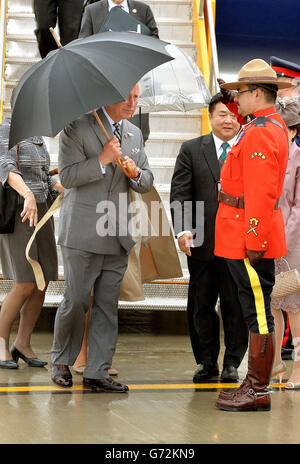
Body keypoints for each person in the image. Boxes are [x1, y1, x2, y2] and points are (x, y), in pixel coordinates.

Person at [50, 83, 154, 392]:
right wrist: (103, 160)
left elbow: (146, 182)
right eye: (127, 97)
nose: (133, 103)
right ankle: (61, 360)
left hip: (117, 232)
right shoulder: (77, 127)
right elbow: (66, 176)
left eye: (137, 97)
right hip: (81, 230)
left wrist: (135, 173)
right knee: (77, 299)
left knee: (107, 305)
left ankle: (97, 370)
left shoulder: (133, 134)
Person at [214, 59, 292, 412]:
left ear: (257, 93)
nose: (236, 100)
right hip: (242, 230)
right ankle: (254, 385)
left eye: (240, 93)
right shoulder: (264, 125)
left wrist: (255, 241)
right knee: (254, 309)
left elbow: (260, 193)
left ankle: (258, 389)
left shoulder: (261, 130)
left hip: (247, 234)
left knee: (257, 312)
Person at [170, 94, 248, 383]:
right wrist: (183, 230)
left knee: (235, 304)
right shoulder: (192, 149)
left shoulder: (247, 147)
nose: (228, 120)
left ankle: (232, 363)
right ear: (211, 117)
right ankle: (206, 362)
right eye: (222, 114)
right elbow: (180, 193)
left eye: (233, 115)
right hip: (202, 242)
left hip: (239, 243)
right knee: (201, 305)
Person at [0, 116, 62, 369]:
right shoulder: (7, 129)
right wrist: (27, 193)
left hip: (42, 210)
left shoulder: (37, 138)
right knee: (25, 282)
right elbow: (4, 166)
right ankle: (1, 341)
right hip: (19, 211)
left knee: (42, 280)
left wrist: (61, 186)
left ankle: (23, 343)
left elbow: (43, 176)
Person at [79, 0, 159, 144]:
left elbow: (155, 42)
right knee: (102, 137)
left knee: (134, 137)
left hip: (135, 78)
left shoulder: (143, 10)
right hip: (104, 82)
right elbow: (83, 46)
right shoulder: (92, 10)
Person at [271, 57, 300, 360]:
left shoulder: (299, 158)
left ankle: (297, 367)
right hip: (268, 240)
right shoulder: (271, 156)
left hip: (291, 243)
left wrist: (285, 240)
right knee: (272, 304)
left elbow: (298, 208)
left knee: (293, 305)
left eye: (288, 128)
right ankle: (275, 361)